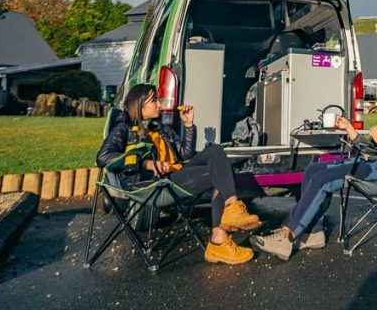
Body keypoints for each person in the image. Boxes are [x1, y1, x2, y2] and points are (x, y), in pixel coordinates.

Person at [252, 80, 377, 260]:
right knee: (312, 170)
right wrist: (349, 128)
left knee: (322, 180)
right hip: (371, 164)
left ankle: (289, 236)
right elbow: (366, 149)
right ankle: (315, 232)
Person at [96, 84, 261, 265]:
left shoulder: (161, 128)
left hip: (177, 173)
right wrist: (146, 163)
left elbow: (185, 155)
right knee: (219, 174)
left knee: (215, 151)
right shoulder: (124, 128)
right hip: (155, 184)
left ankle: (230, 209)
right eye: (154, 101)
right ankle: (218, 240)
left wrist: (189, 125)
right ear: (140, 105)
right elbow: (103, 156)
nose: (159, 104)